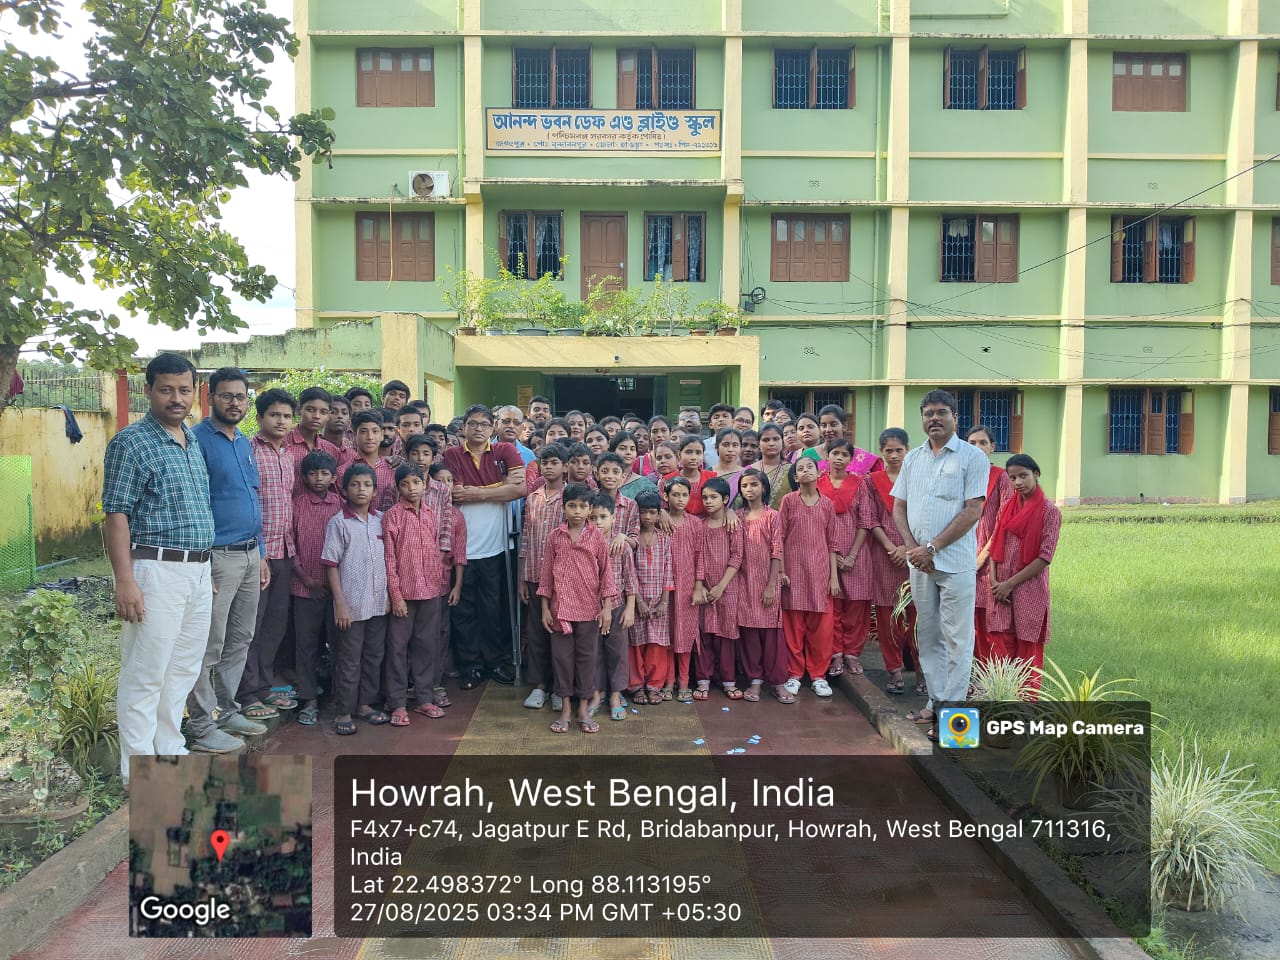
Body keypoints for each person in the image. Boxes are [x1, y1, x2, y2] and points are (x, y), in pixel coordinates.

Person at [102, 353, 215, 784]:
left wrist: (204, 572)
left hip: (197, 572)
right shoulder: (130, 443)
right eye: (166, 389)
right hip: (155, 569)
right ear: (148, 390)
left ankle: (170, 751)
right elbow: (116, 515)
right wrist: (125, 581)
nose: (176, 398)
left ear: (194, 393)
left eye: (184, 390)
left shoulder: (192, 440)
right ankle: (139, 771)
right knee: (145, 673)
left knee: (181, 670)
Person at [892, 390, 989, 741]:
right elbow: (899, 507)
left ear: (955, 417)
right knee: (929, 636)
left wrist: (932, 547)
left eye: (941, 412)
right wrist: (912, 548)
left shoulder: (972, 457)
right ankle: (935, 703)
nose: (934, 418)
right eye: (928, 413)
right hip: (920, 564)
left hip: (954, 563)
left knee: (958, 640)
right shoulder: (913, 459)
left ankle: (955, 724)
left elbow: (973, 510)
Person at [187, 368, 270, 755]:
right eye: (226, 395)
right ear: (210, 397)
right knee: (209, 643)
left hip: (250, 554)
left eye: (240, 396)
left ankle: (228, 711)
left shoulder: (243, 443)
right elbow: (197, 504)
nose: (234, 402)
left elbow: (253, 498)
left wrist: (262, 553)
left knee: (240, 638)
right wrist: (203, 563)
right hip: (218, 558)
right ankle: (202, 724)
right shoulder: (197, 441)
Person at [442, 404, 526, 689]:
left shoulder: (505, 451)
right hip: (462, 548)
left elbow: (519, 489)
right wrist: (498, 487)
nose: (478, 429)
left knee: (494, 609)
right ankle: (471, 666)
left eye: (484, 424)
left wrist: (477, 492)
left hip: (496, 545)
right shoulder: (452, 454)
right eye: (473, 424)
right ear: (463, 427)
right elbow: (456, 492)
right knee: (464, 610)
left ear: (492, 428)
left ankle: (495, 662)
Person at [238, 388, 298, 720]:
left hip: (284, 551)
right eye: (274, 415)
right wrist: (259, 553)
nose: (281, 421)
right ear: (259, 417)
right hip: (257, 552)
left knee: (275, 624)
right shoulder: (248, 451)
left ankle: (264, 686)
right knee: (252, 625)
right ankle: (246, 693)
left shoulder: (288, 455)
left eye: (287, 416)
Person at [539, 483, 616, 735]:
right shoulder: (555, 537)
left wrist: (606, 608)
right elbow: (546, 576)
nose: (577, 511)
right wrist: (545, 608)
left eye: (583, 506)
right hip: (560, 609)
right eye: (572, 506)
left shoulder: (596, 538)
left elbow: (606, 575)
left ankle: (583, 709)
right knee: (561, 659)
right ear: (564, 508)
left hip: (589, 609)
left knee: (587, 659)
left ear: (590, 509)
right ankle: (565, 710)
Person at [981, 455, 1060, 697]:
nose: (1017, 482)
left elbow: (1045, 557)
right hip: (999, 589)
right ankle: (1002, 702)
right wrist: (994, 581)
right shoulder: (1007, 507)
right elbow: (995, 542)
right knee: (999, 648)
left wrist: (1009, 584)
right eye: (1013, 477)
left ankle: (1025, 710)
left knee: (1028, 651)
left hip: (1030, 589)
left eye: (1023, 476)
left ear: (1036, 474)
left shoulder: (1049, 512)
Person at [322, 463, 390, 734]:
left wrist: (389, 595)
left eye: (367, 485)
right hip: (350, 605)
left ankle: (365, 704)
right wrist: (340, 604)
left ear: (375, 490)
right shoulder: (339, 522)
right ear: (344, 489)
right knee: (349, 659)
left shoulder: (381, 520)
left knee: (374, 655)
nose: (361, 490)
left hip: (378, 603)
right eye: (354, 484)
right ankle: (344, 710)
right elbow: (331, 565)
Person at [383, 463, 451, 727]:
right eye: (405, 484)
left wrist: (437, 583)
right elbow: (389, 559)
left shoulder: (430, 513)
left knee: (426, 646)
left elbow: (434, 551)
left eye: (416, 482)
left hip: (430, 591)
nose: (411, 488)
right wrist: (396, 596)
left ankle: (424, 698)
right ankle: (398, 703)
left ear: (424, 484)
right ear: (397, 488)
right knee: (397, 649)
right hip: (404, 594)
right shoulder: (393, 516)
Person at [861, 428, 920, 696]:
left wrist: (907, 548)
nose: (894, 455)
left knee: (917, 616)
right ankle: (894, 670)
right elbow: (869, 519)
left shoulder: (918, 478)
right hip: (884, 556)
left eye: (899, 450)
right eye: (888, 450)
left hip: (916, 554)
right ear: (881, 452)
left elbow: (925, 516)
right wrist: (890, 548)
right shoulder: (871, 482)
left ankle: (921, 672)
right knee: (887, 616)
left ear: (908, 450)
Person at [289, 450, 343, 727]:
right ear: (304, 477)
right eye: (312, 474)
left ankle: (341, 699)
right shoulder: (296, 505)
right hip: (304, 588)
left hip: (337, 591)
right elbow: (289, 543)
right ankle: (308, 700)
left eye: (324, 474)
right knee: (306, 646)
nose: (318, 478)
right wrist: (306, 579)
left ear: (334, 478)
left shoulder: (341, 505)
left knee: (340, 644)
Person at [779, 456, 839, 698]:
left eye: (809, 467)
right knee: (793, 628)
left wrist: (834, 578)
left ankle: (818, 676)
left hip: (820, 575)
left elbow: (832, 543)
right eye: (800, 469)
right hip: (793, 574)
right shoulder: (788, 501)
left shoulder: (827, 505)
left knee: (821, 630)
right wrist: (781, 570)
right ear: (795, 477)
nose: (805, 471)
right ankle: (794, 674)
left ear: (819, 473)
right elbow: (780, 538)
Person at [519, 444, 566, 710]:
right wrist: (522, 577)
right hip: (535, 575)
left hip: (562, 579)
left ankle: (559, 687)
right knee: (536, 631)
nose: (549, 467)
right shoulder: (533, 498)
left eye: (554, 462)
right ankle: (539, 686)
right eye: (545, 463)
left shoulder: (570, 498)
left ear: (565, 466)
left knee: (559, 634)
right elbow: (526, 537)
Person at [736, 469, 789, 703]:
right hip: (743, 582)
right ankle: (755, 680)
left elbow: (777, 551)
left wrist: (770, 585)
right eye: (745, 485)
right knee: (750, 634)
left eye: (754, 484)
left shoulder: (772, 516)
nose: (749, 489)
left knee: (771, 634)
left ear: (764, 487)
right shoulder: (737, 516)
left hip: (767, 581)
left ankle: (778, 682)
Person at [820, 440, 872, 678]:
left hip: (856, 553)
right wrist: (834, 555)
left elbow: (865, 521)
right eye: (835, 453)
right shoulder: (818, 483)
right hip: (825, 554)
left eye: (844, 455)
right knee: (833, 606)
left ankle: (852, 653)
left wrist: (851, 555)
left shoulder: (860, 484)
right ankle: (835, 653)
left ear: (851, 460)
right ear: (827, 457)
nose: (839, 458)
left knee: (856, 606)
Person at [967, 425, 1016, 668]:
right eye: (972, 443)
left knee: (992, 620)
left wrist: (982, 556)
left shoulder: (1001, 478)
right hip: (963, 557)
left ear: (992, 447)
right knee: (970, 621)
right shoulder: (961, 477)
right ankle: (974, 674)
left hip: (991, 561)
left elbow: (1004, 521)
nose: (977, 447)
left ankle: (994, 676)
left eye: (983, 443)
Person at [693, 477, 743, 701]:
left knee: (726, 634)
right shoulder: (700, 525)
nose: (708, 501)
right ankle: (703, 680)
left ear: (725, 499)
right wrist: (702, 585)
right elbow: (697, 556)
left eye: (713, 497)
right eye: (705, 497)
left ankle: (728, 681)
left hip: (728, 587)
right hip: (704, 587)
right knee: (704, 634)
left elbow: (737, 556)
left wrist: (721, 586)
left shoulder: (732, 525)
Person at [589, 494, 636, 722]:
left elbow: (630, 579)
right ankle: (597, 694)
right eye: (593, 518)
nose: (598, 522)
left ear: (614, 518)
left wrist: (630, 607)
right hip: (590, 608)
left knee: (617, 652)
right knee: (594, 652)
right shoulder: (585, 545)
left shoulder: (622, 547)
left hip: (617, 607)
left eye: (603, 517)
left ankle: (616, 696)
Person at [628, 489, 672, 705]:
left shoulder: (664, 538)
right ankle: (636, 685)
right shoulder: (632, 539)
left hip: (658, 602)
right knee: (635, 644)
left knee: (656, 644)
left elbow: (668, 570)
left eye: (652, 512)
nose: (647, 517)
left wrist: (664, 601)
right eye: (643, 512)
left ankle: (654, 685)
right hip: (636, 601)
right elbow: (629, 572)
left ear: (658, 514)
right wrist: (638, 602)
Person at [428, 461, 466, 709]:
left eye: (450, 480)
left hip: (443, 582)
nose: (446, 485)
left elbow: (459, 554)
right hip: (419, 583)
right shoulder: (425, 509)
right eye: (440, 480)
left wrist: (457, 585)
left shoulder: (457, 516)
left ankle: (435, 681)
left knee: (441, 633)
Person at [663, 475, 703, 702]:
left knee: (685, 634)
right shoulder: (661, 521)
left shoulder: (695, 523)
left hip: (688, 587)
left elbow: (700, 556)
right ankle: (669, 681)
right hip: (665, 586)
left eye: (684, 495)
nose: (680, 499)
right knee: (668, 633)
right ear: (666, 496)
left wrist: (698, 586)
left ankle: (685, 681)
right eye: (675, 494)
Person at [284, 387, 341, 486]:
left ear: (328, 416)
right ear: (299, 410)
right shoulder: (284, 444)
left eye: (323, 412)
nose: (316, 416)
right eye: (310, 410)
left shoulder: (332, 450)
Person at [816, 404, 883, 476]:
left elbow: (880, 479)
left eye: (833, 424)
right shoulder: (810, 455)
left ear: (844, 426)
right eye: (823, 425)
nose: (828, 430)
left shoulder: (863, 457)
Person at [350, 411, 397, 512]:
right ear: (354, 435)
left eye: (375, 431)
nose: (370, 437)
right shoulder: (343, 471)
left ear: (381, 435)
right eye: (363, 432)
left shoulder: (393, 469)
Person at [594, 452, 639, 551]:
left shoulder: (631, 505)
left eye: (615, 472)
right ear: (597, 475)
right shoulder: (590, 500)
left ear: (623, 477)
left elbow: (635, 542)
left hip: (618, 557)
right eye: (605, 471)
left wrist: (623, 537)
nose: (610, 476)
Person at [669, 434, 717, 516]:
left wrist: (730, 512)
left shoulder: (712, 478)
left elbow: (720, 506)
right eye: (688, 452)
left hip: (707, 522)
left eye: (698, 453)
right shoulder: (668, 480)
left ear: (703, 455)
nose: (694, 457)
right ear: (679, 454)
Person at [753, 423, 794, 509]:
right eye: (766, 440)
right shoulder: (750, 470)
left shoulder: (792, 470)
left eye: (775, 439)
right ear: (758, 444)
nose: (771, 443)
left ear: (782, 442)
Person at [712, 427, 744, 504]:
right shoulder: (707, 474)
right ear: (717, 447)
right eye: (725, 445)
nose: (730, 449)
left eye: (735, 445)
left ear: (740, 448)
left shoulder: (745, 474)